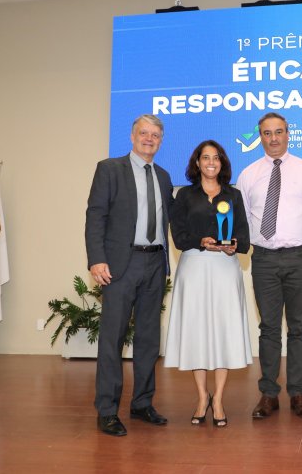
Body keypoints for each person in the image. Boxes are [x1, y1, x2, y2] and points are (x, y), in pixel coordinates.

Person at [86, 114, 174, 436]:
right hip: (121, 265)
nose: (149, 139)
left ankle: (142, 404)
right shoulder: (110, 169)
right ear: (132, 136)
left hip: (154, 265)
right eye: (143, 133)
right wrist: (97, 259)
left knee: (149, 340)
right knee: (112, 339)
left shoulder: (164, 177)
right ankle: (107, 411)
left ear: (161, 141)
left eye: (155, 135)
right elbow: (95, 215)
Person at [236, 112, 302, 419]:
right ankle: (268, 395)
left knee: (298, 328)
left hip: (300, 257)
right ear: (260, 136)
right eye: (267, 133)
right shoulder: (248, 175)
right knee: (269, 328)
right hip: (264, 259)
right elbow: (242, 220)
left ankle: (298, 393)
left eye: (279, 132)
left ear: (288, 134)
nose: (273, 138)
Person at [164, 140, 252, 428]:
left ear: (222, 163)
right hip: (194, 267)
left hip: (225, 269)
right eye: (205, 157)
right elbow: (178, 236)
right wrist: (200, 242)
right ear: (197, 163)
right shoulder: (184, 195)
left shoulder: (234, 195)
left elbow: (244, 238)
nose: (211, 162)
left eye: (216, 158)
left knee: (224, 331)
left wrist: (234, 246)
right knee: (197, 332)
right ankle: (202, 396)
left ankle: (219, 400)